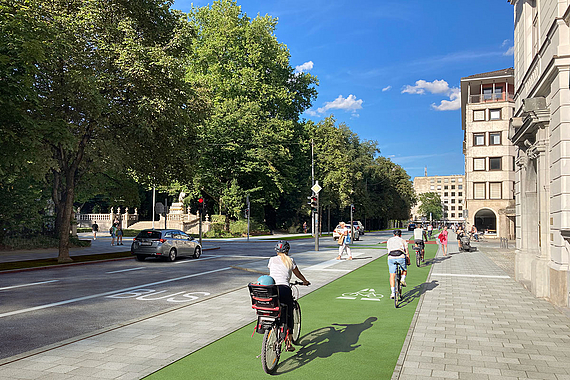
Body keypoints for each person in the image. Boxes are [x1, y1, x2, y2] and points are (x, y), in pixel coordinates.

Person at [268, 240, 310, 352]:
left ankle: (274, 328)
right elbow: (298, 274)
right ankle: (288, 344)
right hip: (284, 289)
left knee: (276, 310)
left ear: (276, 250)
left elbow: (273, 273)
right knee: (289, 315)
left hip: (272, 290)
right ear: (288, 250)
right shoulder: (290, 260)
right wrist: (305, 281)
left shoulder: (272, 260)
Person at [387, 229, 409, 299]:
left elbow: (388, 250)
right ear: (400, 235)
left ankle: (393, 293)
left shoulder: (389, 240)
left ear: (393, 235)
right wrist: (408, 260)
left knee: (392, 275)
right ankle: (402, 279)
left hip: (391, 257)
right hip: (400, 257)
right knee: (404, 270)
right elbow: (407, 252)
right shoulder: (403, 240)